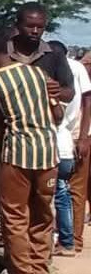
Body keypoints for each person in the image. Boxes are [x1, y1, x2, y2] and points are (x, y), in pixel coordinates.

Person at [0, 33, 58, 274]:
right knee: (43, 215)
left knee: (15, 218)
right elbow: (57, 114)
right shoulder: (38, 74)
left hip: (17, 156)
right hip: (49, 153)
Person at [50, 45, 91, 253]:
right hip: (61, 135)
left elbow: (87, 99)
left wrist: (83, 136)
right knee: (65, 190)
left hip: (72, 134)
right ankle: (67, 239)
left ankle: (72, 239)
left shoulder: (75, 67)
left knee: (73, 189)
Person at [7, 3, 75, 104]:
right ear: (17, 25)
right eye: (30, 26)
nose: (35, 31)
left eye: (40, 27)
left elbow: (69, 94)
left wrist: (56, 91)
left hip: (42, 118)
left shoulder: (54, 53)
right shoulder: (1, 51)